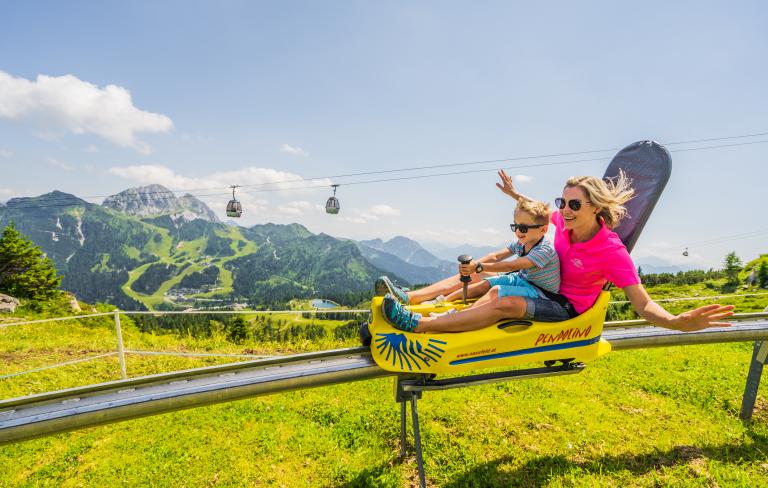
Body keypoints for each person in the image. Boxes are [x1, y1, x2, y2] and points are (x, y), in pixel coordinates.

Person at [380, 169, 734, 333]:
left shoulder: (612, 252)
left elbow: (642, 303)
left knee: (506, 301)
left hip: (566, 306)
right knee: (486, 279)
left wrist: (675, 322)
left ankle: (421, 325)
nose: (565, 209)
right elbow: (540, 215)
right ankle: (409, 297)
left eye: (574, 204)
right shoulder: (563, 223)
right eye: (562, 202)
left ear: (596, 208)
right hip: (540, 286)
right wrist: (517, 196)